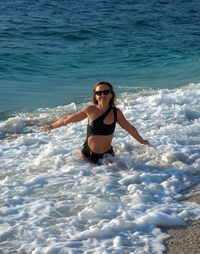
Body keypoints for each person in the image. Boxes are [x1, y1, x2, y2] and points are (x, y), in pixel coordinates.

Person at [42, 81, 150, 164]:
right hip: (87, 155)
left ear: (111, 95)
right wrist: (51, 126)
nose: (102, 95)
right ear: (96, 96)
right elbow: (67, 119)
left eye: (106, 92)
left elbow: (130, 128)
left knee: (118, 180)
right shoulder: (90, 110)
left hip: (107, 156)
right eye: (99, 93)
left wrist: (141, 140)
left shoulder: (116, 113)